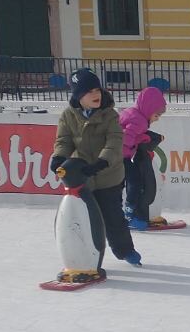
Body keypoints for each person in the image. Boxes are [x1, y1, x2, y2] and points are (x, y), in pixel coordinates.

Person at [49, 68, 140, 267]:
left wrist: (102, 161)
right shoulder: (68, 116)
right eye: (89, 92)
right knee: (85, 220)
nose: (95, 94)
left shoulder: (110, 115)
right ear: (78, 95)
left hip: (109, 176)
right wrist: (58, 157)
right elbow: (64, 140)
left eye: (97, 90)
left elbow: (115, 141)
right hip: (83, 177)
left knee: (113, 218)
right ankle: (88, 257)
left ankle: (125, 250)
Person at [119, 85, 167, 230]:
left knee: (120, 184)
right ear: (148, 109)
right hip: (120, 156)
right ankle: (130, 213)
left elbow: (124, 129)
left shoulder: (131, 112)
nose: (157, 119)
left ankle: (118, 213)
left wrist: (141, 137)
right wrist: (136, 141)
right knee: (135, 182)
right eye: (156, 115)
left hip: (115, 154)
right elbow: (126, 136)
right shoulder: (140, 121)